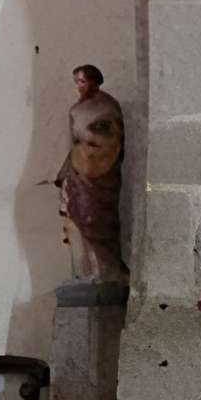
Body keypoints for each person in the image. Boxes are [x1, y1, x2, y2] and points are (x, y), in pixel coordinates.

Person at [55, 63, 128, 282]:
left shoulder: (107, 107)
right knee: (75, 217)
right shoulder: (76, 109)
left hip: (100, 177)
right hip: (77, 173)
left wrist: (90, 141)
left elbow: (112, 141)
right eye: (76, 82)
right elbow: (73, 144)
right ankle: (86, 270)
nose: (79, 87)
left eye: (82, 81)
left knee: (96, 219)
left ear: (94, 81)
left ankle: (108, 271)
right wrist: (66, 170)